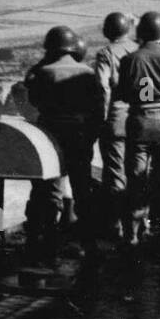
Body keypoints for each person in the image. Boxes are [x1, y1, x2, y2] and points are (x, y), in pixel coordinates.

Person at [23, 25, 104, 263]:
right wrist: (89, 138)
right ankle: (90, 246)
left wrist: (40, 64)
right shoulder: (88, 72)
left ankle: (47, 246)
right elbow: (98, 110)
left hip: (51, 136)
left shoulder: (45, 72)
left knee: (48, 192)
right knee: (82, 191)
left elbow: (33, 98)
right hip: (80, 137)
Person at [115, 12, 160, 246]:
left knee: (136, 178)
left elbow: (123, 95)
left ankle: (133, 234)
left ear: (140, 33)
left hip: (139, 122)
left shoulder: (130, 60)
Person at [92, 12, 137, 239]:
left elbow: (103, 87)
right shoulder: (139, 51)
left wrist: (102, 117)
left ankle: (116, 227)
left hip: (116, 119)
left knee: (115, 174)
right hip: (138, 119)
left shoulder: (106, 53)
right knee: (138, 174)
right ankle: (137, 228)